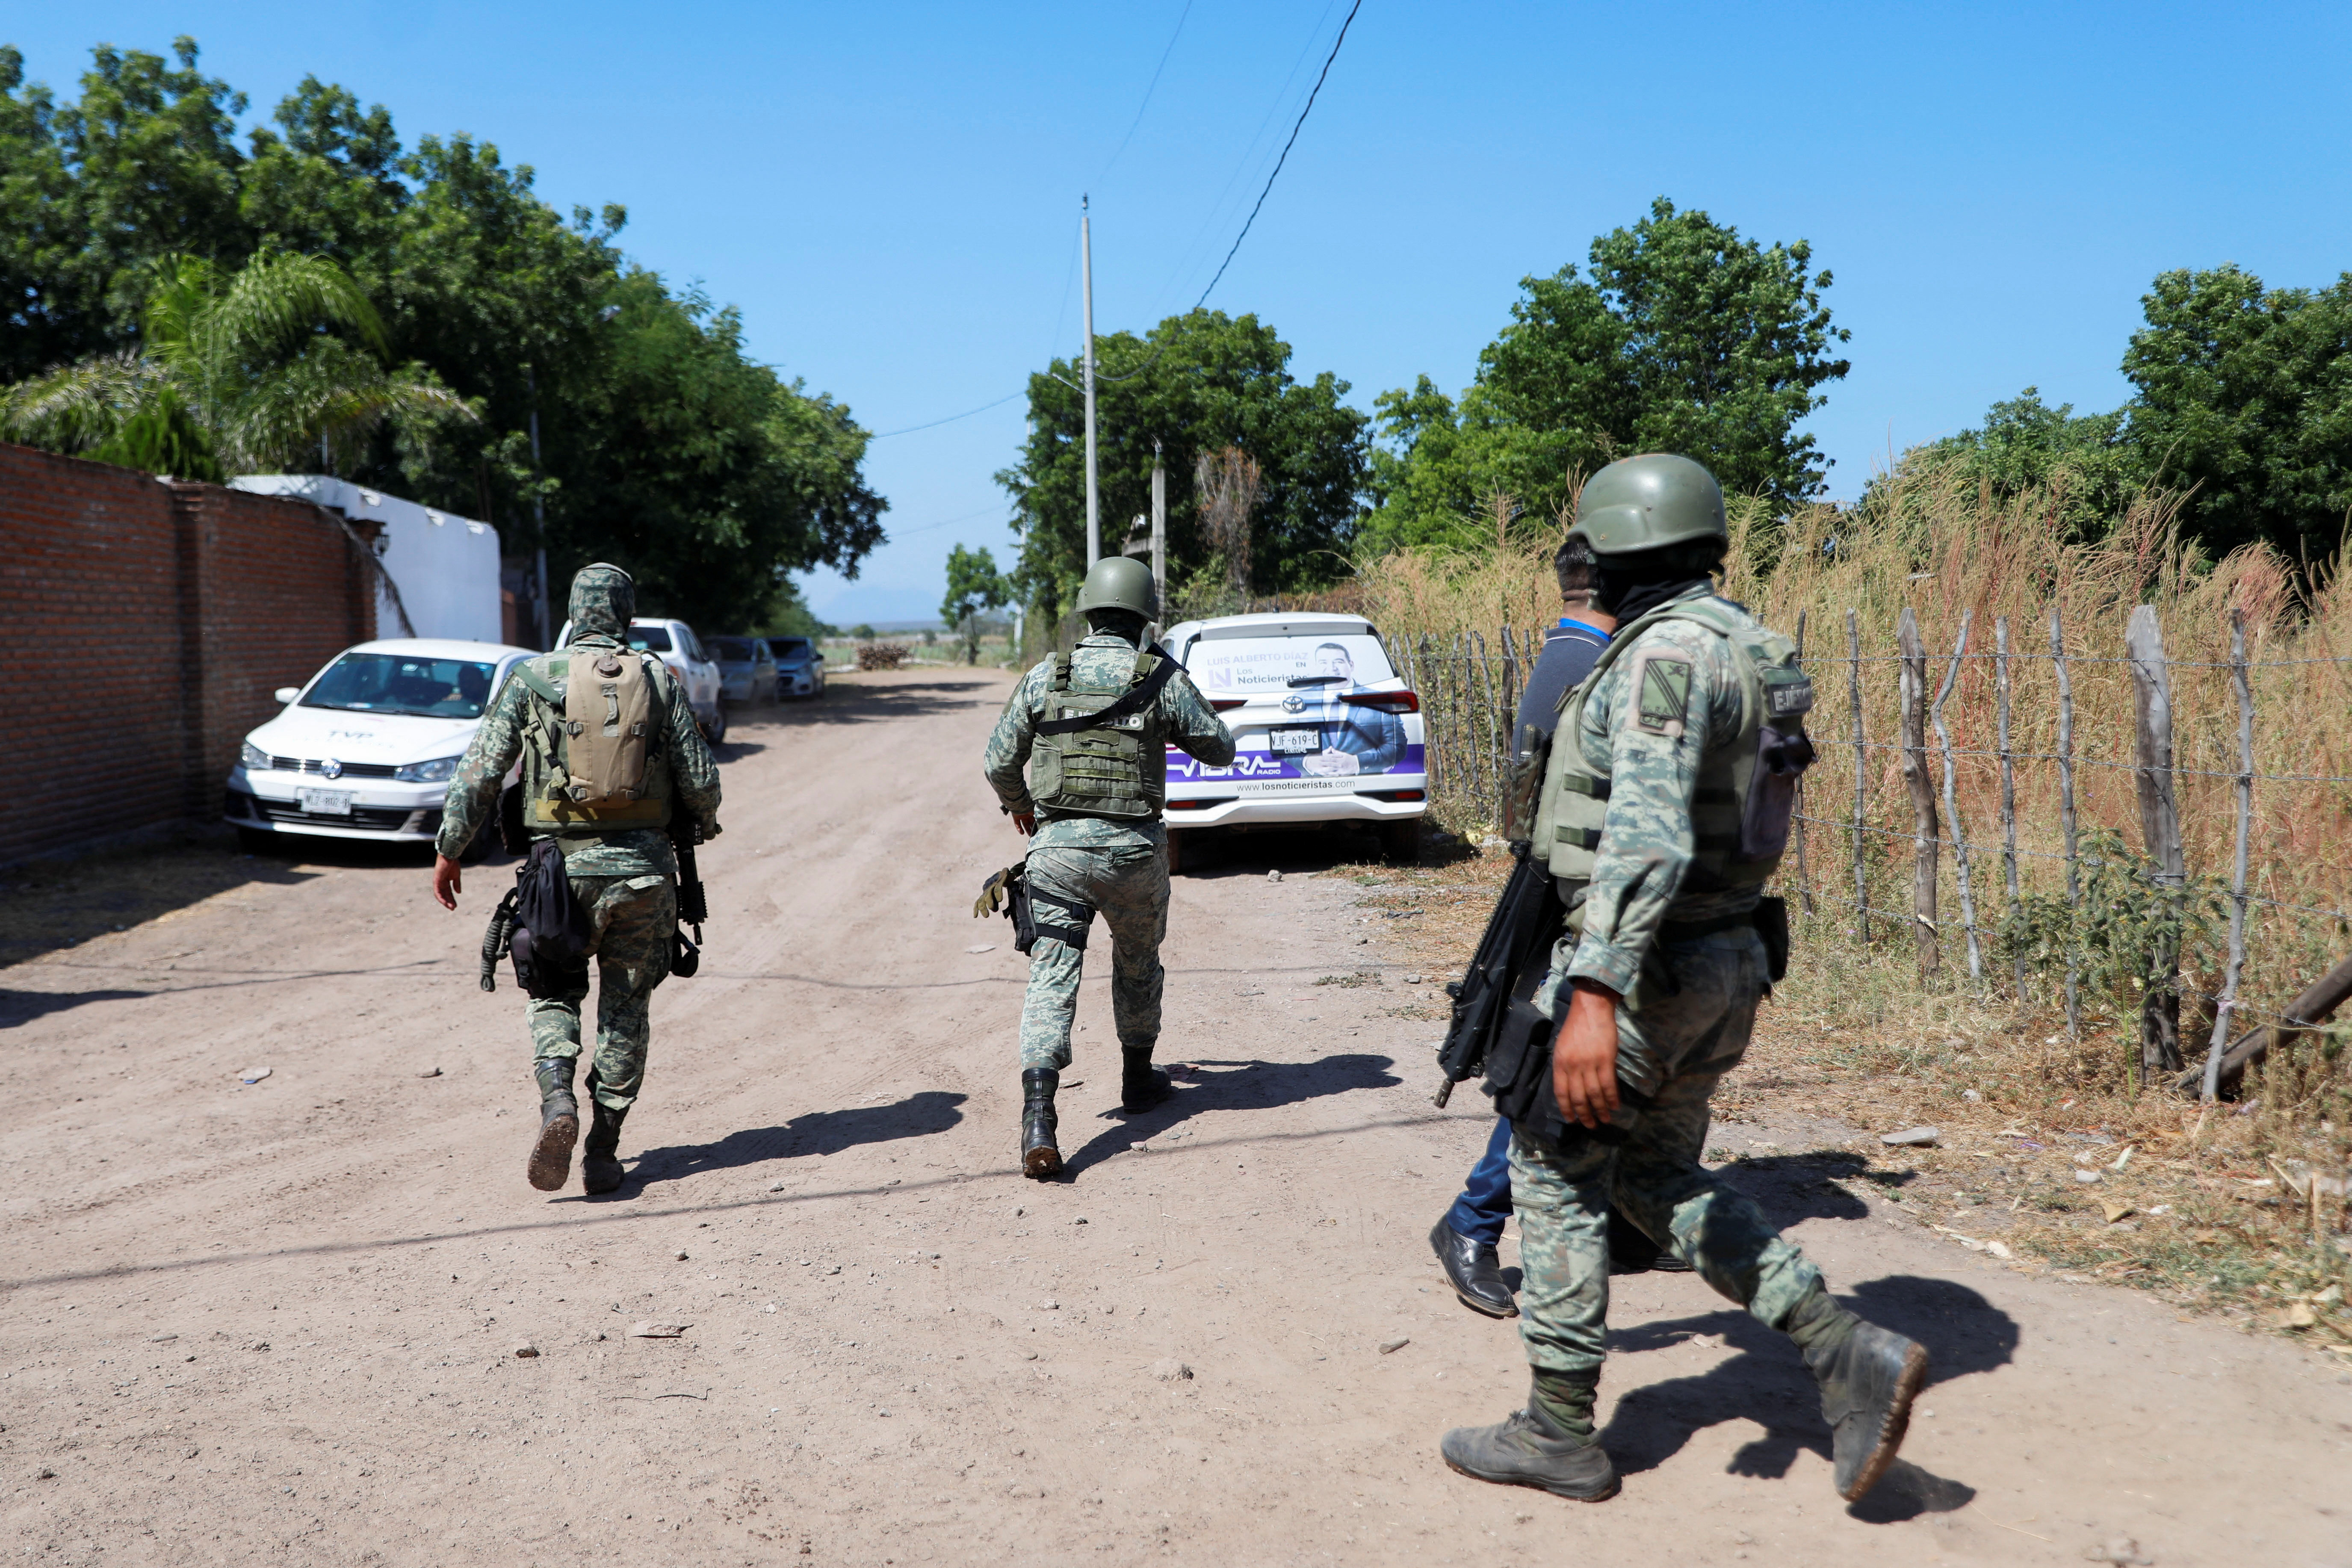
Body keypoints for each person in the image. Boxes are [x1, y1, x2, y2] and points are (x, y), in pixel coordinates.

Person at [1440, 454, 1927, 1506]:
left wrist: (1594, 991)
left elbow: (1649, 837)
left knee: (1557, 1168)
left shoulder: (1660, 657)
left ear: (1616, 556)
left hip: (1645, 963)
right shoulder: (1755, 646)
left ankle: (1557, 1428)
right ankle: (1842, 1344)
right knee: (1652, 1176)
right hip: (1729, 955)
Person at [430, 563, 722, 1196]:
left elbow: (481, 770)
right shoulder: (658, 679)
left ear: (572, 611)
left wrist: (450, 846)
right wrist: (700, 823)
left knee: (553, 992)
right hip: (645, 876)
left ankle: (558, 1096)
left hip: (557, 876)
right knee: (625, 1011)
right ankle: (603, 1151)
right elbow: (702, 780)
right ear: (626, 615)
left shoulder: (531, 677)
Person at [1429, 535, 1637, 1318]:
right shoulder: (1592, 661)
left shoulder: (1568, 650)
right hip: (1572, 892)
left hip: (1561, 880)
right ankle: (1474, 1221)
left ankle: (1618, 1212)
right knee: (1555, 1069)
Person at [981, 556, 1235, 1178]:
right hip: (1134, 857)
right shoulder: (1160, 676)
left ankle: (1040, 1116)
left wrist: (1023, 810)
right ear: (1146, 617)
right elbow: (1221, 748)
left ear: (1089, 610)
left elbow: (997, 761)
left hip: (1058, 855)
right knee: (1138, 963)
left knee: (1052, 975)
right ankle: (1139, 1080)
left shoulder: (1048, 674)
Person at [1298, 643, 1406, 776]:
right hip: (1313, 788)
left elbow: (1397, 747)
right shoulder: (1301, 701)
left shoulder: (1379, 701)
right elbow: (1285, 748)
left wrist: (1357, 763)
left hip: (1367, 785)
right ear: (1316, 667)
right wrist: (1308, 762)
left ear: (1351, 665)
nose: (1332, 669)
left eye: (1339, 662)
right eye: (1323, 663)